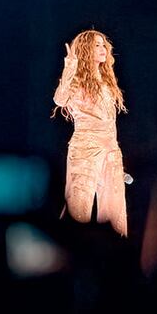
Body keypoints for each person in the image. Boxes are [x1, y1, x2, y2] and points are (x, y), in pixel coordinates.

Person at [53, 29, 128, 236]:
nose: (103, 49)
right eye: (96, 45)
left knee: (115, 208)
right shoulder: (76, 81)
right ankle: (71, 253)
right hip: (85, 147)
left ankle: (117, 259)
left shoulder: (107, 82)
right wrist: (69, 68)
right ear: (86, 50)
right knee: (79, 204)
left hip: (111, 148)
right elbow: (59, 99)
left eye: (103, 45)